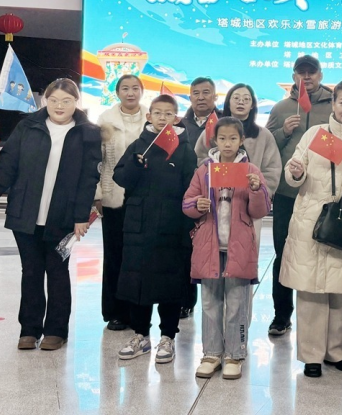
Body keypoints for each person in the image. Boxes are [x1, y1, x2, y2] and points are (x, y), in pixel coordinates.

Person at [0, 78, 101, 351]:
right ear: (45, 100)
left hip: (63, 215)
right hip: (26, 211)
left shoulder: (88, 132)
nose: (59, 106)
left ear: (76, 102)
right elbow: (9, 163)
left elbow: (89, 178)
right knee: (31, 272)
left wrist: (81, 216)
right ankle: (29, 330)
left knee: (57, 272)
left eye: (66, 101)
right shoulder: (28, 126)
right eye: (53, 100)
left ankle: (56, 330)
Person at [280, 77, 342, 378]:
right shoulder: (315, 133)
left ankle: (337, 352)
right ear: (333, 103)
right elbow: (294, 173)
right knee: (310, 291)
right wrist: (296, 171)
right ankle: (311, 356)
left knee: (340, 291)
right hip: (310, 217)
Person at [183, 117, 271, 380]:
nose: (228, 143)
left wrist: (256, 189)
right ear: (215, 141)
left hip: (239, 248)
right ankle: (211, 354)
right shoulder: (204, 170)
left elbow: (261, 210)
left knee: (237, 303)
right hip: (209, 247)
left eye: (233, 138)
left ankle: (235, 354)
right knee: (210, 303)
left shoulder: (251, 170)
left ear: (241, 140)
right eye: (222, 138)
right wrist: (196, 205)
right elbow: (187, 202)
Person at [111, 94, 196, 365]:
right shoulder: (139, 145)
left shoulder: (184, 149)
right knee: (137, 280)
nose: (162, 118)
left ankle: (168, 337)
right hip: (138, 225)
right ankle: (140, 335)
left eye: (168, 114)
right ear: (149, 116)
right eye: (157, 113)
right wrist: (134, 166)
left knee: (170, 282)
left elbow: (191, 188)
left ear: (176, 118)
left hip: (172, 226)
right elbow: (120, 177)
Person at [265, 56, 333, 336]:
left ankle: (316, 316)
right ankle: (281, 315)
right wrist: (283, 131)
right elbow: (267, 145)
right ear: (294, 76)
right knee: (284, 253)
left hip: (321, 194)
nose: (306, 77)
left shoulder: (334, 105)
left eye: (311, 72)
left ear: (320, 75)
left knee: (319, 253)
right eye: (300, 73)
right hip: (286, 193)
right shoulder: (281, 108)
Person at [194, 83, 282, 257]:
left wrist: (259, 192)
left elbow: (272, 169)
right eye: (236, 98)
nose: (241, 102)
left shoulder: (263, 135)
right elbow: (197, 161)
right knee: (212, 257)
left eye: (246, 99)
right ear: (228, 102)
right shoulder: (212, 131)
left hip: (248, 207)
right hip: (216, 203)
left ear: (252, 105)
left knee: (244, 258)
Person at [95, 74, 147, 331]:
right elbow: (97, 161)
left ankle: (138, 311)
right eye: (125, 88)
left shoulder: (152, 119)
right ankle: (115, 312)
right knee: (115, 255)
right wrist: (97, 194)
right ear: (117, 93)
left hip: (144, 199)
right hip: (113, 196)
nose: (130, 93)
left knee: (139, 257)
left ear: (142, 91)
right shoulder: (105, 121)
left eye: (135, 88)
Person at [178, 76, 222, 319]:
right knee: (184, 249)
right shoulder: (180, 125)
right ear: (190, 97)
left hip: (218, 200)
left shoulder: (225, 124)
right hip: (187, 197)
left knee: (211, 249)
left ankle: (215, 301)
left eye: (206, 92)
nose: (201, 97)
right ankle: (185, 300)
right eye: (196, 93)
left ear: (215, 96)